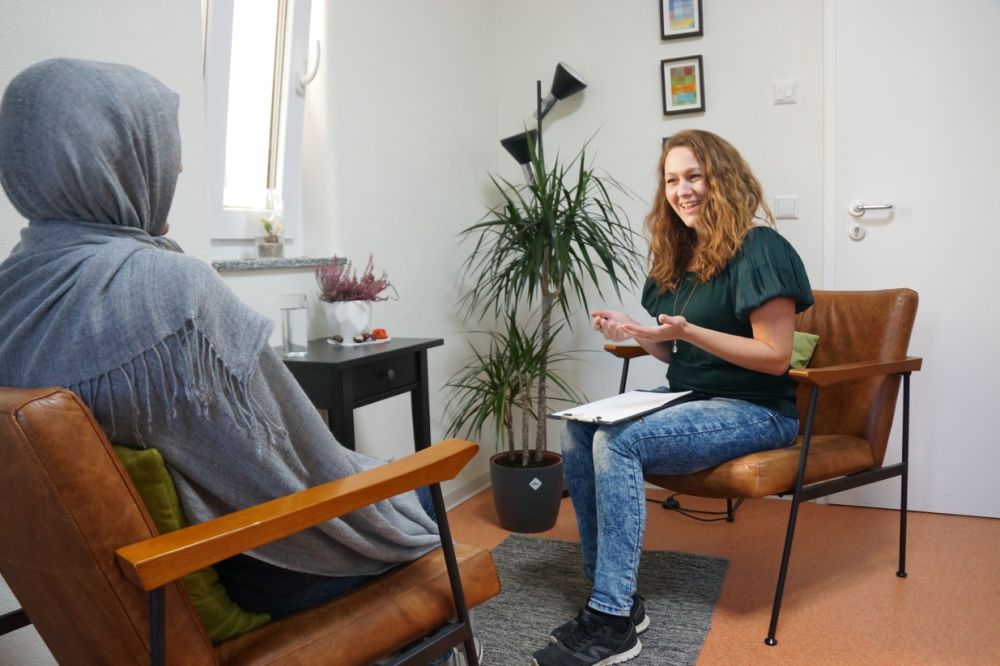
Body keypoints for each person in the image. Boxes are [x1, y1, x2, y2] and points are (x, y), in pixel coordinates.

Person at [0, 58, 442, 619]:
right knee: (423, 491)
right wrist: (384, 479)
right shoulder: (171, 295)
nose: (179, 165)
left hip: (133, 596)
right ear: (113, 162)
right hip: (260, 565)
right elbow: (298, 462)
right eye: (160, 146)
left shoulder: (14, 298)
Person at [531, 130, 813, 666]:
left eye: (694, 176)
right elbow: (676, 355)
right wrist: (637, 331)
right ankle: (614, 598)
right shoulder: (681, 255)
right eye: (672, 180)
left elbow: (775, 357)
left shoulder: (761, 248)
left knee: (619, 441)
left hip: (757, 410)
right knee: (578, 430)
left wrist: (690, 330)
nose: (683, 190)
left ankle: (612, 622)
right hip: (691, 395)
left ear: (721, 178)